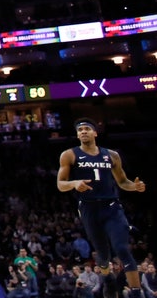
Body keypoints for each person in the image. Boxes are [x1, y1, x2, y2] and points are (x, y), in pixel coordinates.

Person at [57, 118, 147, 298]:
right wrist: (74, 183)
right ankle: (108, 279)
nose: (83, 132)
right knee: (103, 255)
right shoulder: (69, 155)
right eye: (80, 130)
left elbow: (123, 182)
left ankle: (136, 293)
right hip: (89, 209)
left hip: (112, 207)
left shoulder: (112, 155)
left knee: (122, 248)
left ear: (95, 133)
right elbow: (60, 184)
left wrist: (135, 187)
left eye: (87, 129)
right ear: (77, 134)